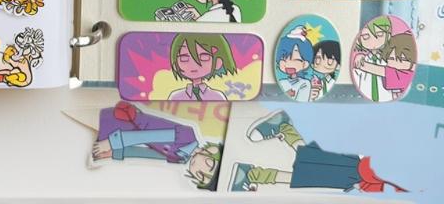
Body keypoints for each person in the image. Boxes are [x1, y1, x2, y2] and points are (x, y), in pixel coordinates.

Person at [230, 110, 406, 193]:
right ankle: (254, 174)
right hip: (369, 170)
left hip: (371, 180)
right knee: (317, 173)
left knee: (314, 177)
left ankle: (254, 174)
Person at [90, 102, 221, 190]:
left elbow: (147, 154)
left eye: (201, 178)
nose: (199, 172)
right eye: (209, 165)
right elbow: (148, 136)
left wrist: (114, 153)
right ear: (212, 150)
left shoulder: (181, 158)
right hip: (122, 120)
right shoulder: (187, 135)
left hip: (118, 135)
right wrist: (112, 143)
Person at [168, 33, 236, 101]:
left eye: (204, 56)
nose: (193, 64)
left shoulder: (218, 97)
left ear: (218, 62)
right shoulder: (175, 97)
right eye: (184, 57)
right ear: (175, 65)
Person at [275, 28, 313, 102]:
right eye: (283, 60)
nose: (288, 64)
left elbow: (302, 100)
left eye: (296, 60)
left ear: (305, 63)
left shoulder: (304, 84)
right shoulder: (282, 82)